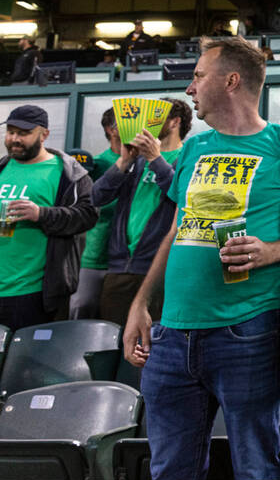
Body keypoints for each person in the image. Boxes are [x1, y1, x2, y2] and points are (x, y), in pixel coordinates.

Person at [121, 36, 280, 480]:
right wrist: (140, 303)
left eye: (198, 76)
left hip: (249, 331)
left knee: (256, 469)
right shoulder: (191, 149)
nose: (189, 88)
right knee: (169, 472)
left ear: (231, 81)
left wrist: (271, 252)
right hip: (172, 333)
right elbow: (176, 230)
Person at [91, 98, 190, 327]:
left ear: (175, 122)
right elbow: (96, 197)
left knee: (150, 345)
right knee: (112, 341)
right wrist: (124, 162)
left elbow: (183, 197)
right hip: (121, 267)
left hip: (158, 269)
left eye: (156, 118)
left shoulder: (186, 158)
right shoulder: (136, 161)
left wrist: (156, 159)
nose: (148, 124)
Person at [0, 105, 96, 330]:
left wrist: (41, 214)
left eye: (23, 134)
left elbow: (88, 215)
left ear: (44, 135)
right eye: (11, 132)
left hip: (33, 291)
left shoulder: (68, 173)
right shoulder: (3, 167)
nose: (14, 139)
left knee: (29, 362)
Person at [71, 107, 120, 320]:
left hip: (129, 255)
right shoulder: (95, 164)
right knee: (81, 307)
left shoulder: (146, 163)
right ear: (110, 129)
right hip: (95, 252)